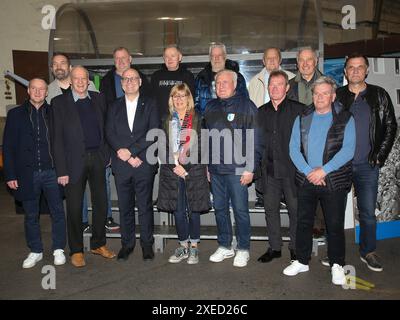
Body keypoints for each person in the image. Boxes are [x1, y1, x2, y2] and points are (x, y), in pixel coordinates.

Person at [283, 76, 356, 286]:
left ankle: (337, 265)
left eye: (325, 93)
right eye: (317, 93)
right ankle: (302, 260)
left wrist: (323, 171)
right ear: (312, 95)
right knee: (303, 222)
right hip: (306, 179)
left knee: (334, 225)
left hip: (333, 180)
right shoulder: (303, 116)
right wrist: (309, 172)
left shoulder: (345, 118)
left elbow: (348, 150)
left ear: (333, 96)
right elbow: (293, 148)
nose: (320, 97)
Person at [334, 53, 398, 272]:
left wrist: (379, 156)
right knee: (335, 211)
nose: (355, 71)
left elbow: (391, 126)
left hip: (367, 165)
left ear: (367, 70)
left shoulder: (379, 95)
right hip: (340, 165)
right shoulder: (338, 96)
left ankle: (368, 251)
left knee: (368, 212)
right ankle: (336, 253)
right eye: (351, 67)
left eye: (360, 67)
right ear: (345, 71)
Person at [51, 66, 116, 267]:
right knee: (74, 206)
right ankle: (77, 250)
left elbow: (106, 128)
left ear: (88, 81)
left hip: (98, 158)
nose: (80, 82)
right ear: (70, 81)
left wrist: (106, 154)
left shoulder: (98, 99)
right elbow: (56, 139)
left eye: (83, 78)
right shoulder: (58, 102)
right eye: (76, 78)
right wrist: (61, 170)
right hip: (73, 163)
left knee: (101, 204)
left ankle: (98, 243)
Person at [3, 78, 66, 268]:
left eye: (41, 89)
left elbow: (64, 143)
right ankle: (36, 250)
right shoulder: (15, 115)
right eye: (34, 89)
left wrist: (64, 170)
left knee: (57, 213)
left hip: (52, 173)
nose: (38, 92)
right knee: (31, 215)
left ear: (47, 92)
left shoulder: (55, 113)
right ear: (28, 91)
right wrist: (11, 174)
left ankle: (58, 249)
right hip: (27, 175)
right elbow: (8, 147)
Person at [203, 69, 264, 268]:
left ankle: (243, 248)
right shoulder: (210, 106)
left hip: (238, 169)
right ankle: (225, 245)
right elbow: (206, 138)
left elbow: (254, 140)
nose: (220, 86)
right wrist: (207, 166)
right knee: (220, 209)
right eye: (217, 83)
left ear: (235, 84)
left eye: (225, 82)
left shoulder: (247, 106)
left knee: (240, 211)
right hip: (216, 170)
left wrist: (250, 168)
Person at [105, 68, 160, 261]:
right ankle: (127, 245)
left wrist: (133, 152)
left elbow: (154, 131)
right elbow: (110, 133)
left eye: (133, 79)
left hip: (144, 162)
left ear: (140, 82)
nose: (129, 82)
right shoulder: (113, 106)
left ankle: (147, 245)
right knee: (125, 206)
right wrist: (127, 156)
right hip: (122, 164)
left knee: (145, 206)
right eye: (126, 79)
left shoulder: (151, 104)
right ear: (121, 83)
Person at [157, 83, 210, 264]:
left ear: (188, 99)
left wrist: (185, 168)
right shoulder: (166, 120)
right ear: (171, 99)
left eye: (182, 96)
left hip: (192, 171)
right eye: (175, 96)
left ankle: (194, 247)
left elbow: (203, 146)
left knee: (193, 209)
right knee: (178, 211)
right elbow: (161, 145)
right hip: (172, 171)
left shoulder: (197, 119)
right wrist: (175, 165)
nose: (179, 100)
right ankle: (183, 246)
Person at [257, 70, 305, 263]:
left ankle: (295, 247)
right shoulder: (260, 112)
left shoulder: (300, 110)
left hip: (292, 171)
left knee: (295, 211)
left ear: (286, 87)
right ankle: (275, 248)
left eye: (279, 85)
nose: (275, 88)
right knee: (270, 210)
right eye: (272, 85)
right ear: (268, 88)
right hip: (268, 171)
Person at [248, 47, 296, 208]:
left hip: (287, 145)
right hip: (265, 137)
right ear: (263, 61)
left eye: (275, 58)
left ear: (280, 60)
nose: (271, 61)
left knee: (294, 206)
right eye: (268, 58)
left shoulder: (293, 79)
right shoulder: (255, 82)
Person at [288, 46, 325, 238]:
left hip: (320, 142)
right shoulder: (290, 84)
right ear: (297, 63)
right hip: (297, 141)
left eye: (309, 59)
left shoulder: (327, 84)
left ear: (316, 61)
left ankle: (318, 225)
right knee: (300, 185)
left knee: (319, 181)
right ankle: (303, 226)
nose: (305, 64)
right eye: (301, 60)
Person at [195, 43, 248, 116]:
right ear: (210, 57)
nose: (216, 58)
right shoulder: (201, 78)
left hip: (233, 122)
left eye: (219, 55)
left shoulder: (238, 78)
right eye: (214, 56)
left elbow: (245, 101)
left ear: (224, 56)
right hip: (207, 123)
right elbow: (196, 104)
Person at [151, 45, 195, 120]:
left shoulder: (188, 76)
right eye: (166, 56)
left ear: (180, 57)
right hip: (160, 121)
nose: (169, 59)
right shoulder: (156, 76)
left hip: (182, 120)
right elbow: (151, 100)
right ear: (163, 58)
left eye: (173, 56)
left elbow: (190, 100)